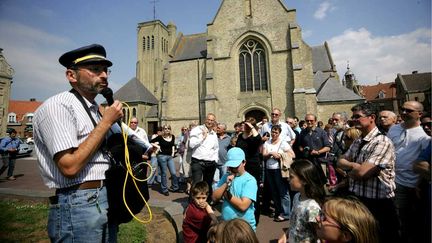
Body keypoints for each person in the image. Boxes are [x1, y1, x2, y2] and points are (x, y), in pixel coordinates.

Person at [33, 44, 123, 242]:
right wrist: (106, 122)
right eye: (95, 69)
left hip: (104, 197)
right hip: (78, 202)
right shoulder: (59, 106)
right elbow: (70, 166)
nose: (104, 75)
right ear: (71, 76)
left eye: (106, 70)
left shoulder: (95, 110)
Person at [337, 102, 400, 243]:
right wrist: (354, 165)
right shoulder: (358, 141)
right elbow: (340, 161)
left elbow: (362, 173)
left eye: (357, 116)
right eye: (353, 116)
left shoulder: (382, 142)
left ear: (371, 117)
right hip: (359, 200)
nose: (353, 119)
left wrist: (350, 169)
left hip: (378, 204)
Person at [387, 101, 430, 243]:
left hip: (413, 183)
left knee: (414, 219)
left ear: (420, 114)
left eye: (409, 110)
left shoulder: (425, 134)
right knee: (398, 218)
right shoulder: (393, 129)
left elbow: (424, 162)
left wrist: (418, 183)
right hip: (393, 180)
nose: (404, 112)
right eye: (402, 109)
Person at [278, 159, 325, 243]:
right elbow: (295, 223)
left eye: (291, 177)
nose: (288, 179)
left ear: (304, 180)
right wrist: (286, 234)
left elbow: (318, 233)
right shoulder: (296, 197)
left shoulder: (313, 207)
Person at [212, 147, 258, 230]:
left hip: (243, 229)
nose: (232, 169)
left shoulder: (250, 180)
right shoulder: (226, 176)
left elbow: (243, 206)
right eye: (230, 166)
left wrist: (226, 194)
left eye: (235, 166)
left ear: (244, 163)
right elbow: (214, 197)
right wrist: (226, 184)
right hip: (226, 226)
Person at [262, 125, 295, 222]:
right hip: (269, 169)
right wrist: (271, 153)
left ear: (279, 133)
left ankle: (286, 213)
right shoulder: (267, 142)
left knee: (283, 191)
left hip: (279, 170)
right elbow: (263, 155)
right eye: (272, 132)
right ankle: (278, 210)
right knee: (274, 191)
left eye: (276, 132)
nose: (273, 134)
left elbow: (292, 155)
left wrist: (280, 155)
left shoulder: (283, 143)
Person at [234, 117, 262, 224]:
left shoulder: (254, 137)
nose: (244, 127)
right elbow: (237, 150)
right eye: (244, 124)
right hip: (241, 166)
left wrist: (252, 127)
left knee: (253, 192)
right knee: (241, 190)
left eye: (246, 125)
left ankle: (255, 218)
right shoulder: (241, 136)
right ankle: (242, 214)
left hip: (253, 167)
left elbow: (258, 140)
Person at [189, 113, 219, 198]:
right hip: (198, 162)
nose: (210, 121)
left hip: (210, 163)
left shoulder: (214, 133)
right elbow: (191, 145)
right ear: (205, 120)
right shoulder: (197, 130)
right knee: (196, 184)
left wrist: (215, 160)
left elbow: (216, 148)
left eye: (212, 120)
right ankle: (192, 205)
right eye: (208, 119)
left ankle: (207, 204)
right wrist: (203, 137)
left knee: (208, 184)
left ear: (214, 122)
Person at [298, 113, 331, 185]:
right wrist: (303, 150)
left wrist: (318, 152)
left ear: (315, 121)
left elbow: (328, 147)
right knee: (310, 183)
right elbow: (300, 145)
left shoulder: (322, 132)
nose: (309, 122)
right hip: (308, 163)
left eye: (311, 120)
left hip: (320, 161)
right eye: (307, 120)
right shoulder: (303, 132)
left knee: (321, 184)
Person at [150, 124, 181, 196]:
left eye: (168, 128)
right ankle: (164, 189)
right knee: (164, 173)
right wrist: (158, 146)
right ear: (163, 130)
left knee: (173, 172)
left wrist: (173, 153)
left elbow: (173, 145)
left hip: (170, 157)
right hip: (161, 156)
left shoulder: (172, 136)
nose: (167, 130)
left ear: (170, 129)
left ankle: (175, 187)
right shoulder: (160, 137)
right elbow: (151, 141)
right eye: (165, 128)